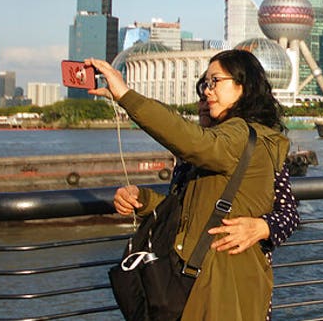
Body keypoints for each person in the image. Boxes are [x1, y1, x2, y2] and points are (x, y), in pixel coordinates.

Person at [92, 49, 290, 321]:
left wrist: (125, 95)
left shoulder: (241, 136)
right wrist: (144, 199)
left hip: (223, 281)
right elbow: (188, 208)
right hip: (201, 277)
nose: (207, 93)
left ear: (243, 86)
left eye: (215, 82)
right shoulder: (222, 143)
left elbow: (190, 140)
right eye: (204, 84)